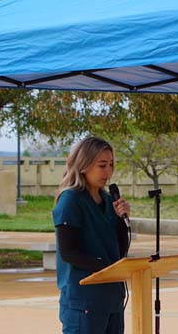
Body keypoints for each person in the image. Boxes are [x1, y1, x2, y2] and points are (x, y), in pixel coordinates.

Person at [53, 137, 131, 334]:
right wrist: (105, 267)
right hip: (84, 302)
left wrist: (122, 220)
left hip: (112, 299)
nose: (108, 172)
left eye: (111, 165)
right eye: (102, 165)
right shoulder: (70, 201)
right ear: (84, 165)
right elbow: (69, 252)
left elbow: (119, 251)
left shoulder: (107, 200)